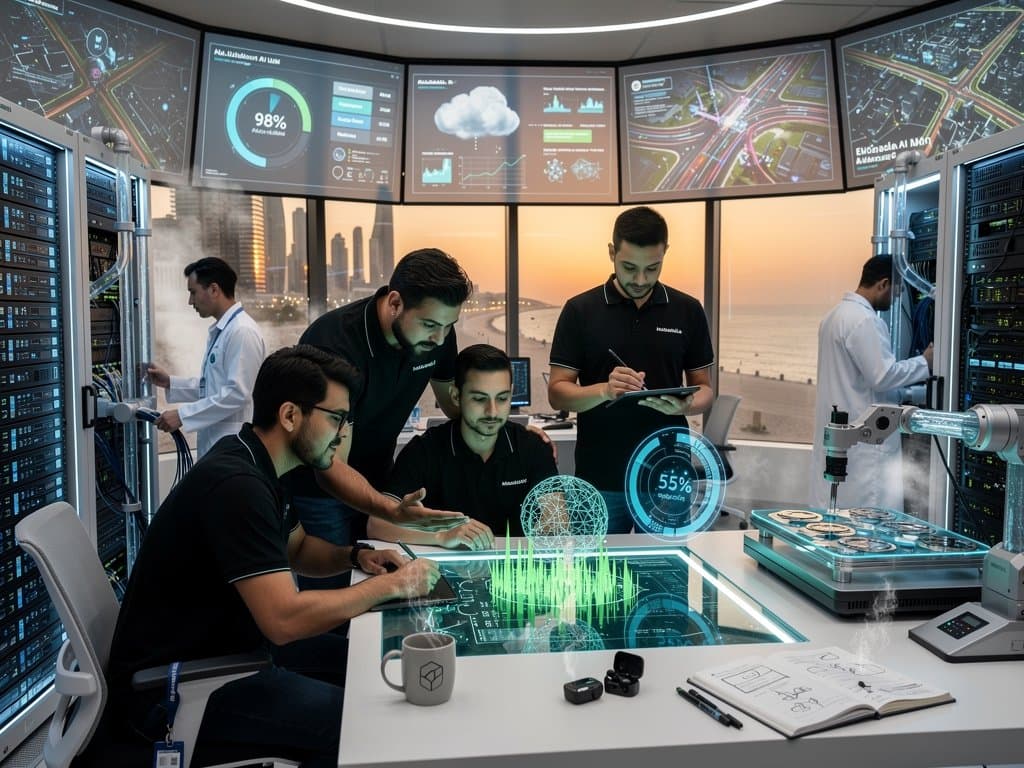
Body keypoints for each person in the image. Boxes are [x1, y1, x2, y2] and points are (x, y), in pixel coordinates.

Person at [97, 345, 439, 767]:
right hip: (179, 687)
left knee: (363, 665)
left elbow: (298, 550)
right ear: (290, 415)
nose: (343, 434)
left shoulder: (257, 462)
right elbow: (284, 620)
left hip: (232, 647)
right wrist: (393, 585)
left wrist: (355, 556)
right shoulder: (237, 486)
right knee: (360, 726)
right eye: (337, 418)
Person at [285, 248, 473, 589]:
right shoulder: (335, 345)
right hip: (321, 494)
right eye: (430, 325)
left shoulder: (438, 335)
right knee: (336, 600)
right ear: (396, 302)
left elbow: (455, 406)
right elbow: (329, 467)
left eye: (449, 326)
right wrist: (389, 510)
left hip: (379, 484)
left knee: (383, 590)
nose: (440, 338)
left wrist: (515, 432)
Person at [548, 206, 714, 533]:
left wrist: (686, 405)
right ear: (612, 252)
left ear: (665, 253)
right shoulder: (580, 310)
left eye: (652, 268)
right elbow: (557, 393)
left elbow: (705, 389)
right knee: (597, 565)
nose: (640, 280)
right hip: (601, 474)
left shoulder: (688, 310)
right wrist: (604, 390)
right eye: (629, 267)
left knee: (665, 565)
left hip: (668, 473)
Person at [369, 344, 559, 549]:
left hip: (515, 565)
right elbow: (376, 524)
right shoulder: (424, 451)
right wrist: (441, 536)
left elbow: (558, 521)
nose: (492, 412)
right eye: (479, 399)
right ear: (455, 396)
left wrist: (547, 533)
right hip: (441, 566)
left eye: (502, 398)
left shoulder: (532, 447)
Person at [808, 254, 933, 511]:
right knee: (867, 517)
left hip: (843, 436)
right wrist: (925, 361)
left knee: (838, 513)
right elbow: (882, 376)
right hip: (865, 447)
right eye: (896, 291)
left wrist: (910, 393)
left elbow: (860, 382)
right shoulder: (865, 320)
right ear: (883, 284)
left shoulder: (833, 317)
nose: (896, 299)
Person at [148, 257, 266, 457]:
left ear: (213, 289)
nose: (190, 301)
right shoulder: (226, 330)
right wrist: (170, 383)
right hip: (219, 447)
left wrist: (182, 416)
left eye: (193, 292)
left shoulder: (242, 331)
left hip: (233, 449)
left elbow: (237, 394)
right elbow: (212, 388)